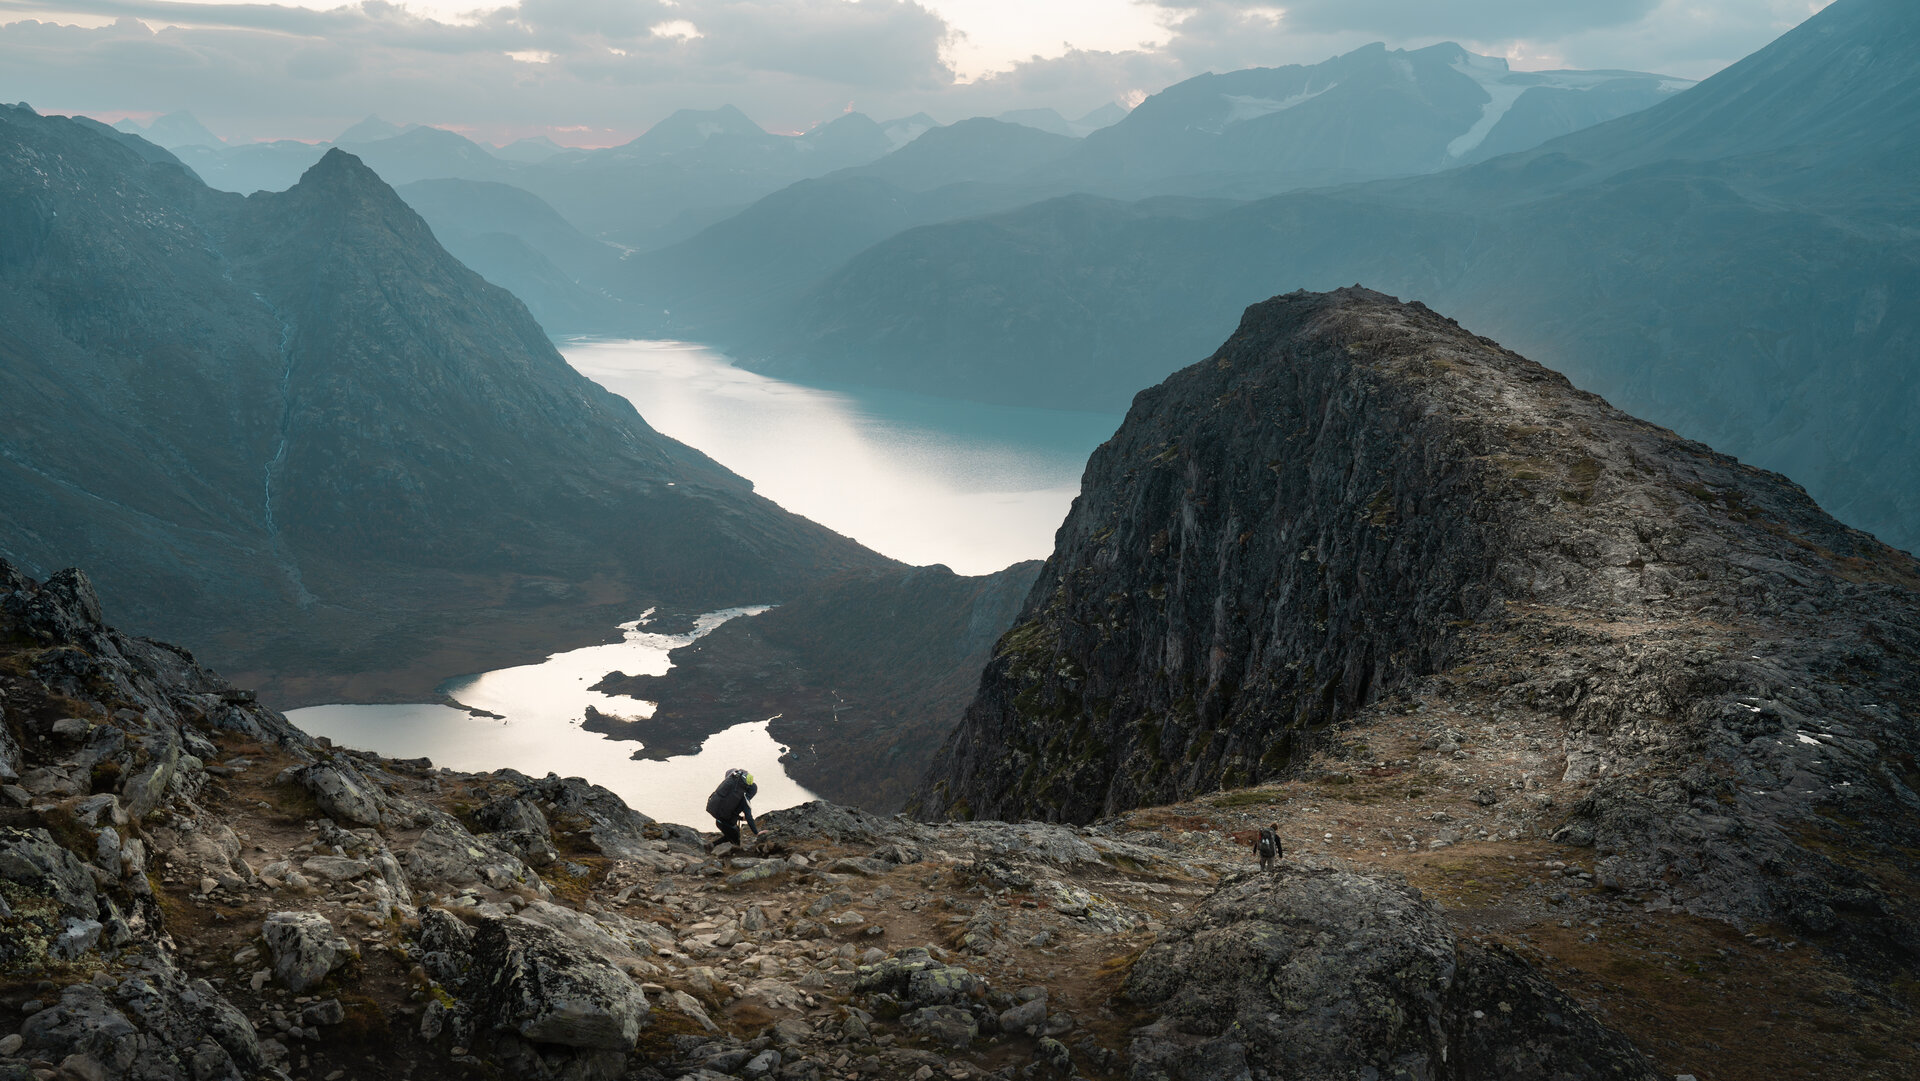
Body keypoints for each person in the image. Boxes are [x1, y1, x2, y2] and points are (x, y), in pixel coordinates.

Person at [706, 767, 762, 848]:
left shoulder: (734, 793)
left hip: (719, 820)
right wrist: (756, 832)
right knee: (736, 842)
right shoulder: (744, 798)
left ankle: (711, 845)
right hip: (728, 824)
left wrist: (741, 818)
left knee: (730, 836)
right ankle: (713, 848)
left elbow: (729, 810)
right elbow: (749, 817)